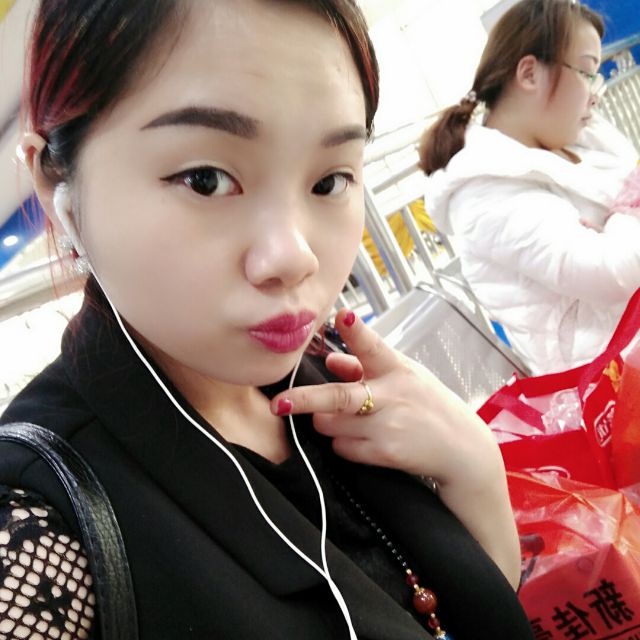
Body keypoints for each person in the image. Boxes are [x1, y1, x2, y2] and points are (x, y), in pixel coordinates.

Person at [0, 1, 534, 638]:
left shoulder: (341, 381)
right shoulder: (37, 532)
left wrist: (475, 471)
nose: (295, 256)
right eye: (205, 179)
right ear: (56, 187)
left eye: (330, 181)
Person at [420, 0, 640, 375]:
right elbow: (613, 271)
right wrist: (630, 203)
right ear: (529, 74)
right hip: (611, 382)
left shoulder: (573, 140)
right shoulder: (481, 194)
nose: (595, 93)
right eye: (587, 72)